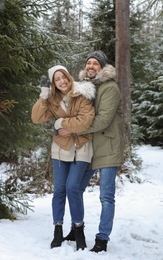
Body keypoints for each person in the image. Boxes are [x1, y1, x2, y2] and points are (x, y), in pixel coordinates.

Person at [58, 51, 124, 253]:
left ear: (103, 67)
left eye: (95, 63)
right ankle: (76, 228)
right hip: (89, 148)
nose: (91, 66)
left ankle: (102, 239)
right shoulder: (87, 88)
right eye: (89, 63)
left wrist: (73, 128)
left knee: (106, 196)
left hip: (108, 148)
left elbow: (102, 120)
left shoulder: (110, 88)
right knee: (74, 188)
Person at [31, 65, 96, 251]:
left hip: (81, 147)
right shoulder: (52, 100)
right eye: (57, 79)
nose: (62, 81)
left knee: (72, 188)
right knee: (59, 190)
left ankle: (79, 230)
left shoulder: (82, 94)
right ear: (53, 83)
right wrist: (43, 96)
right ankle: (57, 230)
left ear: (69, 77)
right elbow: (36, 117)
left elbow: (86, 120)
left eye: (64, 77)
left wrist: (61, 122)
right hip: (60, 149)